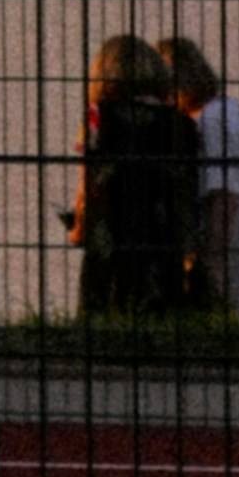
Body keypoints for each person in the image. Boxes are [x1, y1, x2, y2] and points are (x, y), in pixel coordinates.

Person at [70, 32, 199, 317]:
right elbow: (188, 196)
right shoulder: (183, 126)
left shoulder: (97, 117)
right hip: (163, 246)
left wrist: (78, 228)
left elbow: (89, 188)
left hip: (111, 245)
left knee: (102, 332)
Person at [162, 37, 239, 310]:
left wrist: (210, 257)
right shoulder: (222, 111)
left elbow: (224, 190)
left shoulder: (213, 119)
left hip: (225, 243)